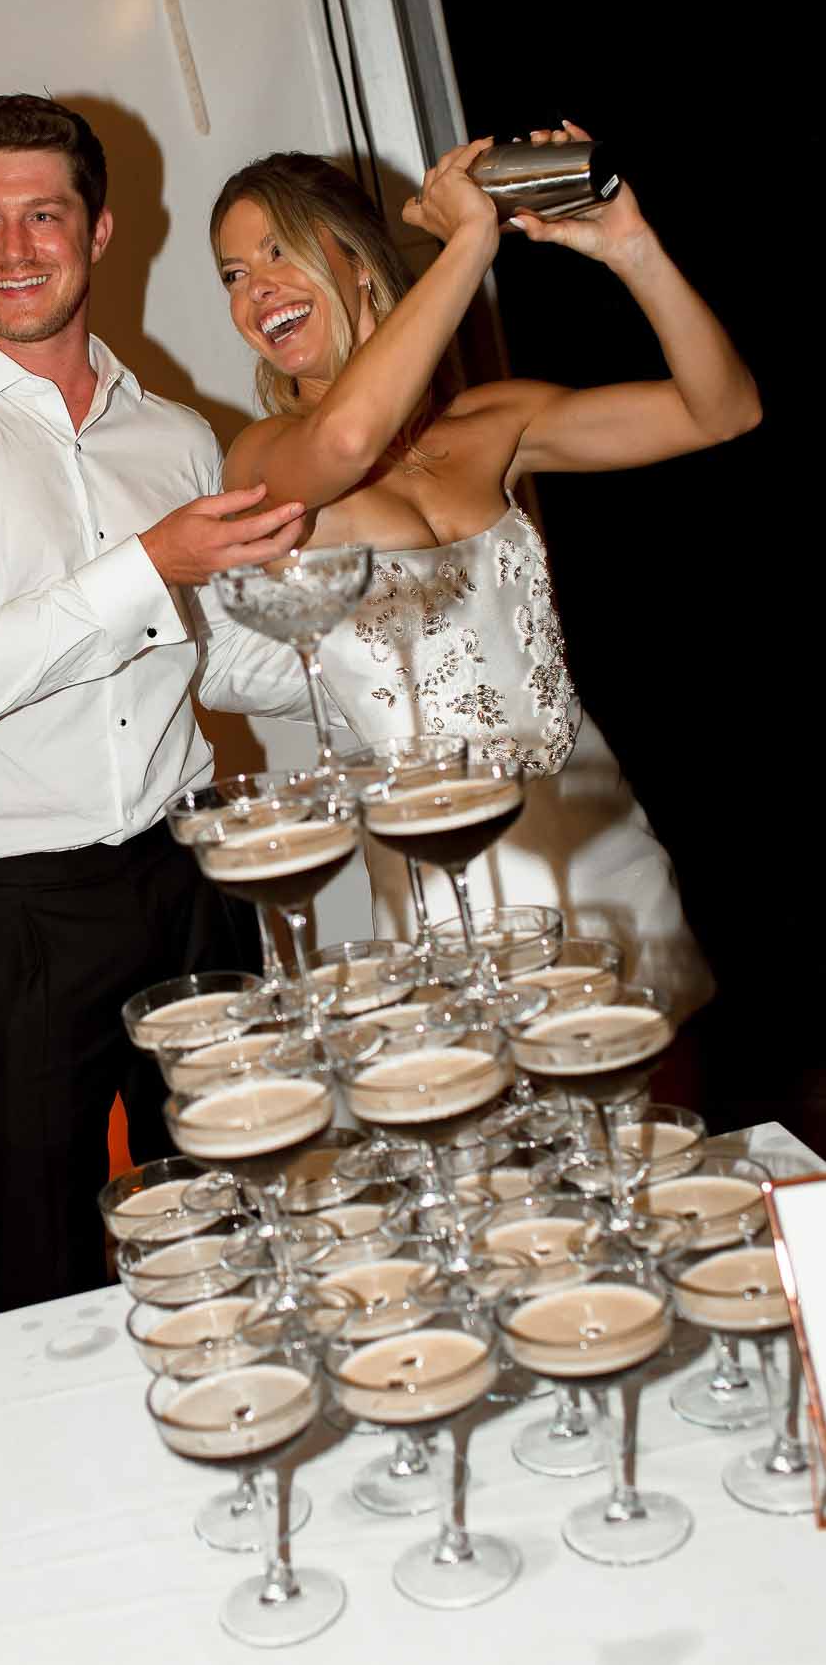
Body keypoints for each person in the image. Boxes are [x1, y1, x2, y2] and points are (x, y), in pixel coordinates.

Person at [0, 93, 314, 1318]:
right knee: (49, 1268)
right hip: (17, 912)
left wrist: (376, 650)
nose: (11, 247)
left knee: (227, 1223)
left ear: (99, 233)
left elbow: (222, 664)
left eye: (43, 213)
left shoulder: (179, 438)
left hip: (190, 871)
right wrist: (148, 560)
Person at [211, 126, 762, 1009]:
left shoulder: (494, 420)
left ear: (355, 259)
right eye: (233, 274)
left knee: (658, 1111)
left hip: (596, 827)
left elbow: (722, 410)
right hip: (452, 869)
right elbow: (348, 438)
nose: (254, 288)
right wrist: (468, 240)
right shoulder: (269, 458)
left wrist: (630, 246)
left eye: (277, 249)